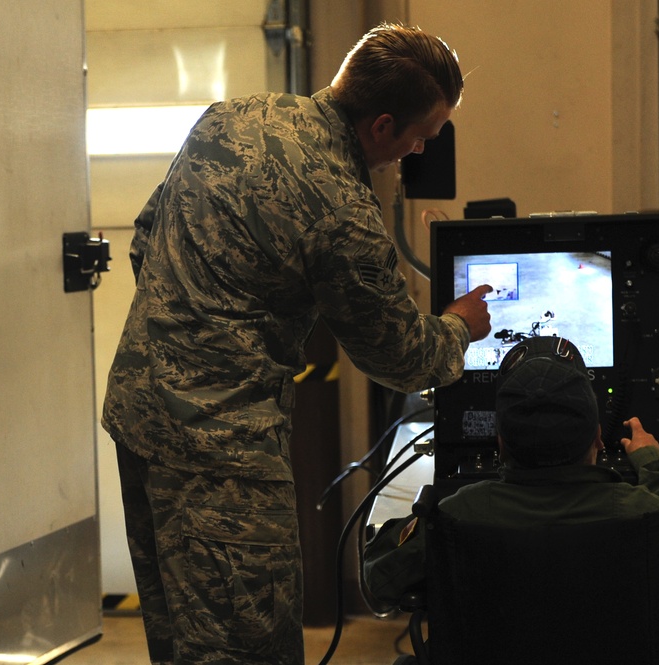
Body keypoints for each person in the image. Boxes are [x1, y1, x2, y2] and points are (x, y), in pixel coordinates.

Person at [102, 23, 491, 665]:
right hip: (223, 451)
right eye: (420, 138)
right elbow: (399, 355)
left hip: (139, 417)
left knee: (179, 641)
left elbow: (147, 237)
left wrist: (200, 328)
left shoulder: (232, 118)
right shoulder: (339, 204)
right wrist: (457, 327)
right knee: (247, 648)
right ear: (382, 126)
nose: (415, 154)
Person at [363, 336, 659, 607]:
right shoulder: (645, 515)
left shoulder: (455, 517)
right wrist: (654, 463)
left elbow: (377, 579)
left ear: (500, 443)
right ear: (598, 438)